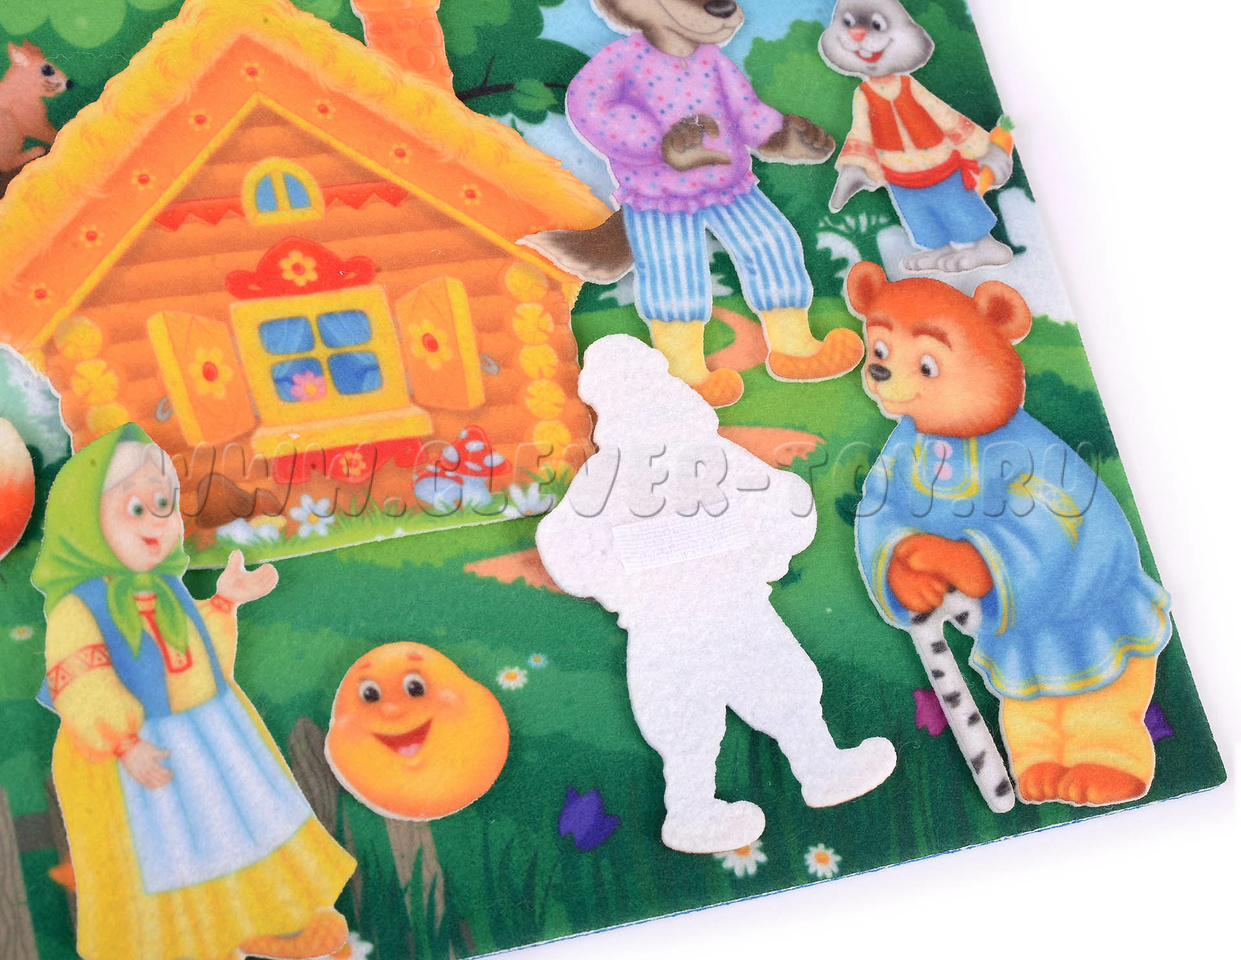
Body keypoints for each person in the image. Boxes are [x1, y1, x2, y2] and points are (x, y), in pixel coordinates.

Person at [34, 423, 355, 960]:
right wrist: (123, 742)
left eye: (163, 503)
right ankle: (195, 944)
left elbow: (197, 661)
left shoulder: (166, 588)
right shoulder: (78, 607)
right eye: (135, 507)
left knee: (241, 823)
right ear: (84, 523)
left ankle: (270, 920)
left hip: (209, 734)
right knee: (170, 849)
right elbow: (81, 683)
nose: (157, 521)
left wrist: (225, 603)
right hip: (135, 753)